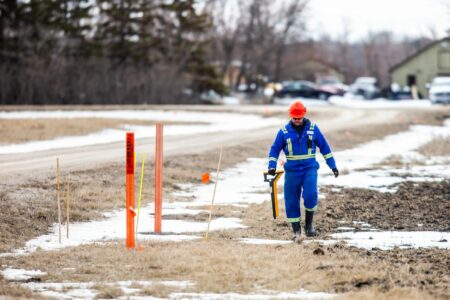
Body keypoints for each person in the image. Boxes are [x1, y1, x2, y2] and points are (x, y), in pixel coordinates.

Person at [268, 100, 338, 243]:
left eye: (299, 118)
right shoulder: (283, 132)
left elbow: (325, 147)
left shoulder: (313, 129)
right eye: (295, 118)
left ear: (304, 115)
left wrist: (333, 165)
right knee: (291, 200)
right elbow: (274, 149)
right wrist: (271, 166)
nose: (297, 121)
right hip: (292, 170)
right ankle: (296, 230)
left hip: (309, 168)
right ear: (291, 116)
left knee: (311, 195)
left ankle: (309, 224)